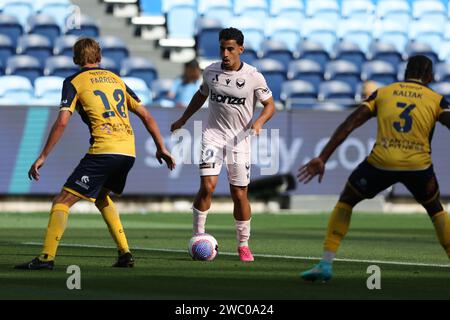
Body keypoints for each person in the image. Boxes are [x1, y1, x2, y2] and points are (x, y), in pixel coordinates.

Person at [15, 38, 175, 270]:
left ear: (75, 59)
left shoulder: (73, 81)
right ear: (99, 58)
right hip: (128, 152)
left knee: (62, 201)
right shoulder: (116, 80)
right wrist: (161, 147)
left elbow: (62, 122)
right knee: (101, 196)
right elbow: (147, 116)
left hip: (104, 150)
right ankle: (125, 253)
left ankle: (46, 258)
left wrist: (42, 156)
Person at [297, 55, 450, 282]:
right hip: (418, 166)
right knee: (436, 209)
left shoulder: (383, 93)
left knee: (347, 201)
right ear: (430, 77)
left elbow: (350, 123)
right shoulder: (436, 100)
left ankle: (326, 264)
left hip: (381, 163)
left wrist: (323, 157)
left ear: (405, 73)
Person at [170, 27, 275, 262]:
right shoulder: (210, 72)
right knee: (207, 186)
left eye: (230, 49)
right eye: (222, 48)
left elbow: (270, 105)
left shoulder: (253, 76)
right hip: (212, 136)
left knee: (239, 194)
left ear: (240, 49)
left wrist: (258, 123)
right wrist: (183, 119)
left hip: (240, 140)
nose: (225, 54)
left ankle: (243, 244)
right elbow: (201, 95)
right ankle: (198, 236)